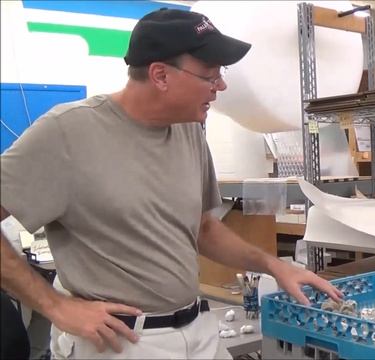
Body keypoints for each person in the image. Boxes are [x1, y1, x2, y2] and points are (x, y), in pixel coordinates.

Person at [0, 8, 342, 359]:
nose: (220, 85)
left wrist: (275, 265)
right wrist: (55, 306)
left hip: (197, 330)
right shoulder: (67, 132)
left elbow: (203, 228)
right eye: (210, 75)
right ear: (160, 75)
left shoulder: (189, 130)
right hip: (119, 343)